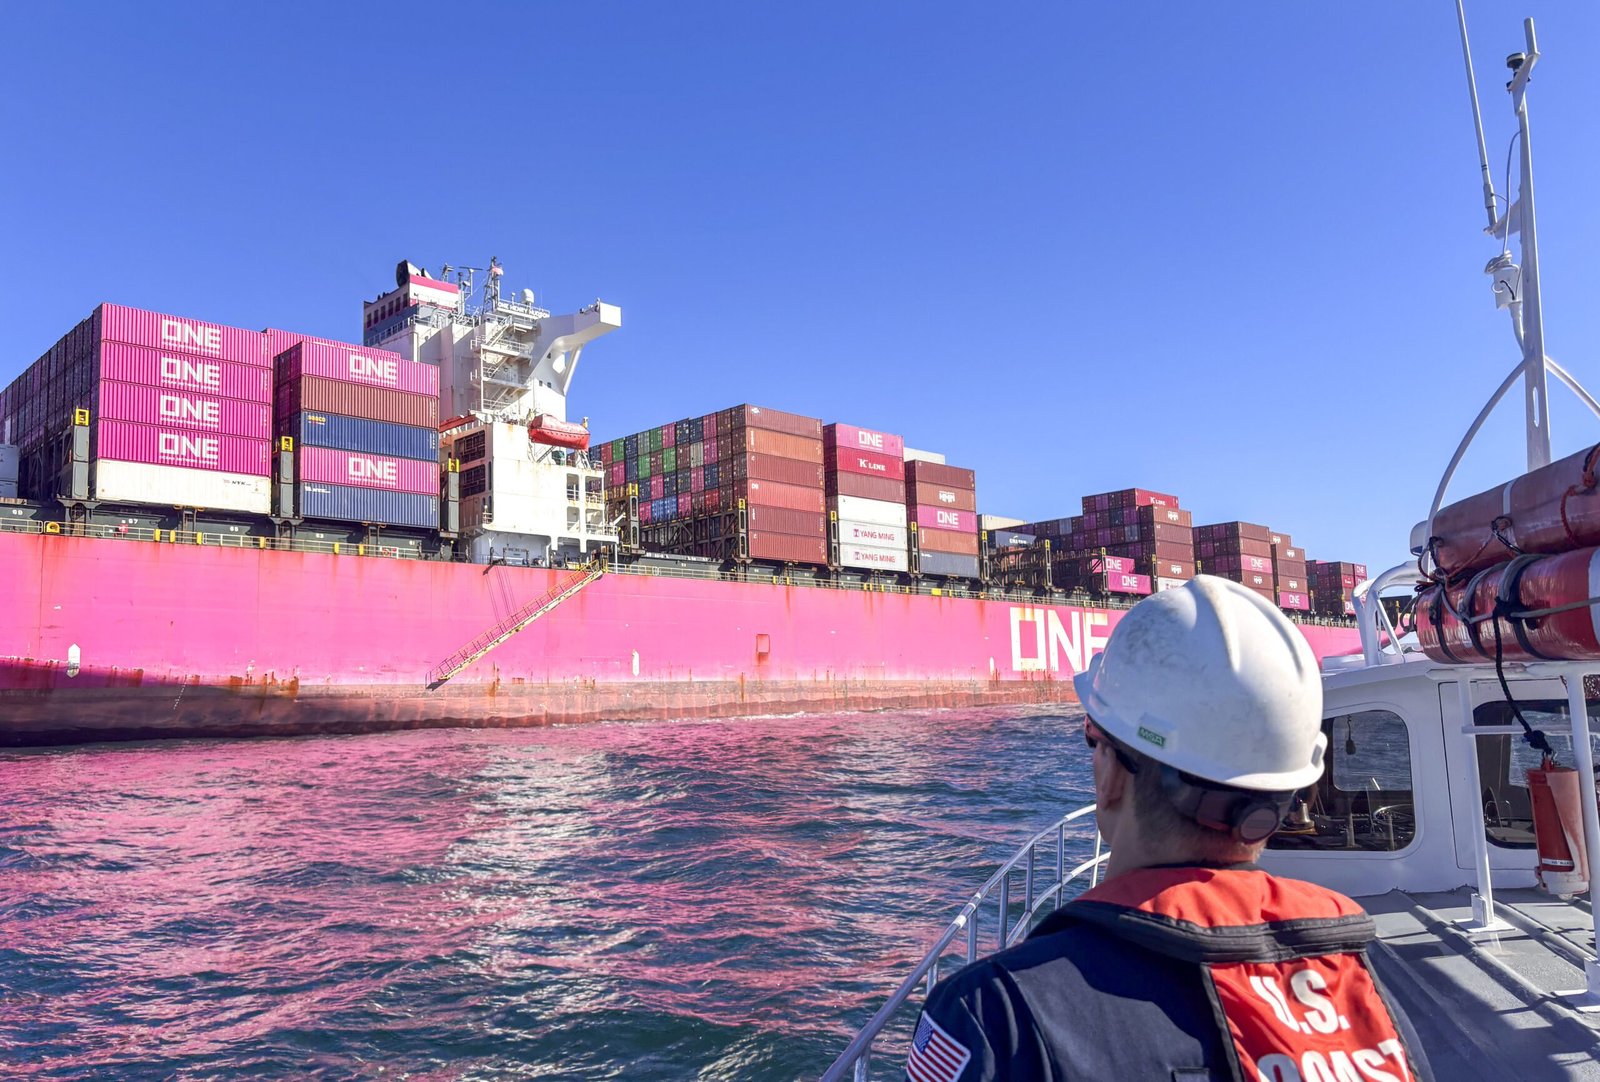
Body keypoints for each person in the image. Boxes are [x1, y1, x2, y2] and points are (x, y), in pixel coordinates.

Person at [905, 576, 1432, 1082]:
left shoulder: (993, 1013)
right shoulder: (1363, 983)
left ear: (1111, 775)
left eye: (1093, 734)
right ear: (1287, 789)